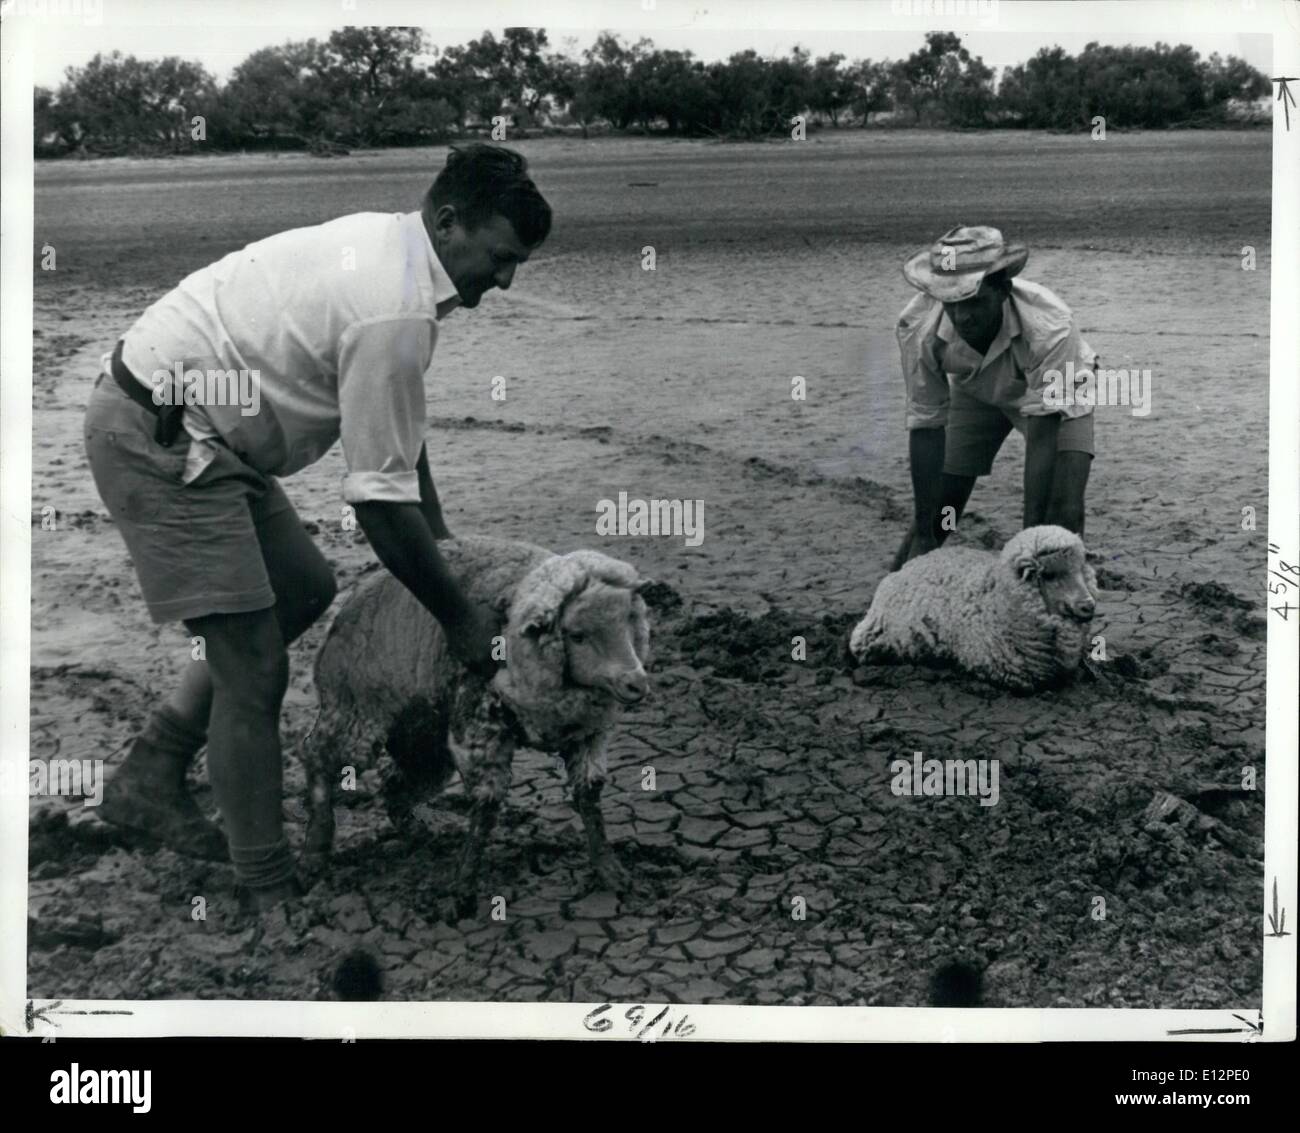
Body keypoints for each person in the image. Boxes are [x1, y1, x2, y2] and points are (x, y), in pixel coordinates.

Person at [83, 143, 551, 910]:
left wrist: (443, 545)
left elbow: (395, 432)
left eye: (517, 267)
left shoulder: (398, 261)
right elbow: (374, 504)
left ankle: (153, 769)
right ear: (448, 220)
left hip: (212, 432)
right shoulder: (392, 303)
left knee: (302, 585)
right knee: (255, 667)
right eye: (498, 258)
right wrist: (461, 619)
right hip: (161, 434)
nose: (501, 281)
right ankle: (265, 882)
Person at [890, 225, 1098, 572]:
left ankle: (1060, 609)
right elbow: (926, 425)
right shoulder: (918, 326)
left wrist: (1029, 537)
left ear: (1003, 290)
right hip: (976, 388)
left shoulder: (1051, 326)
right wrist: (926, 532)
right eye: (953, 305)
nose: (962, 317)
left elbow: (1043, 430)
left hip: (1061, 395)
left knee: (1059, 518)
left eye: (976, 302)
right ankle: (889, 604)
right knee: (944, 510)